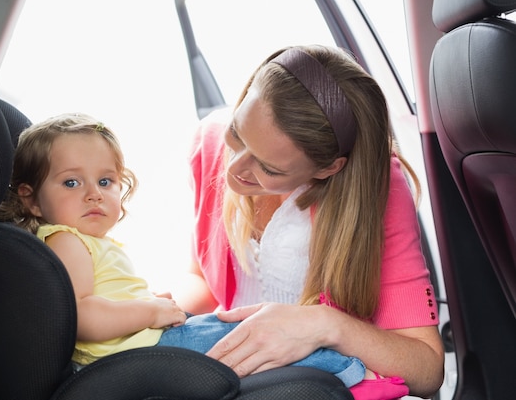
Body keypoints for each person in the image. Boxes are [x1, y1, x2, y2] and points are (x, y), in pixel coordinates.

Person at [0, 112, 367, 389]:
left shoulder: (86, 242)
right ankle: (354, 375)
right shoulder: (66, 241)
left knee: (235, 328)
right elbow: (83, 316)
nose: (93, 193)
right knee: (252, 335)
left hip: (141, 341)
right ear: (32, 201)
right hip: (137, 350)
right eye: (71, 182)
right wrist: (149, 311)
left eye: (105, 181)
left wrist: (148, 305)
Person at [176, 45, 445, 399]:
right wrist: (156, 312)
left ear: (327, 169)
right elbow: (203, 281)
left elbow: (427, 370)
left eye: (269, 168)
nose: (234, 170)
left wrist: (323, 326)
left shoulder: (378, 189)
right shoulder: (209, 140)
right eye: (238, 134)